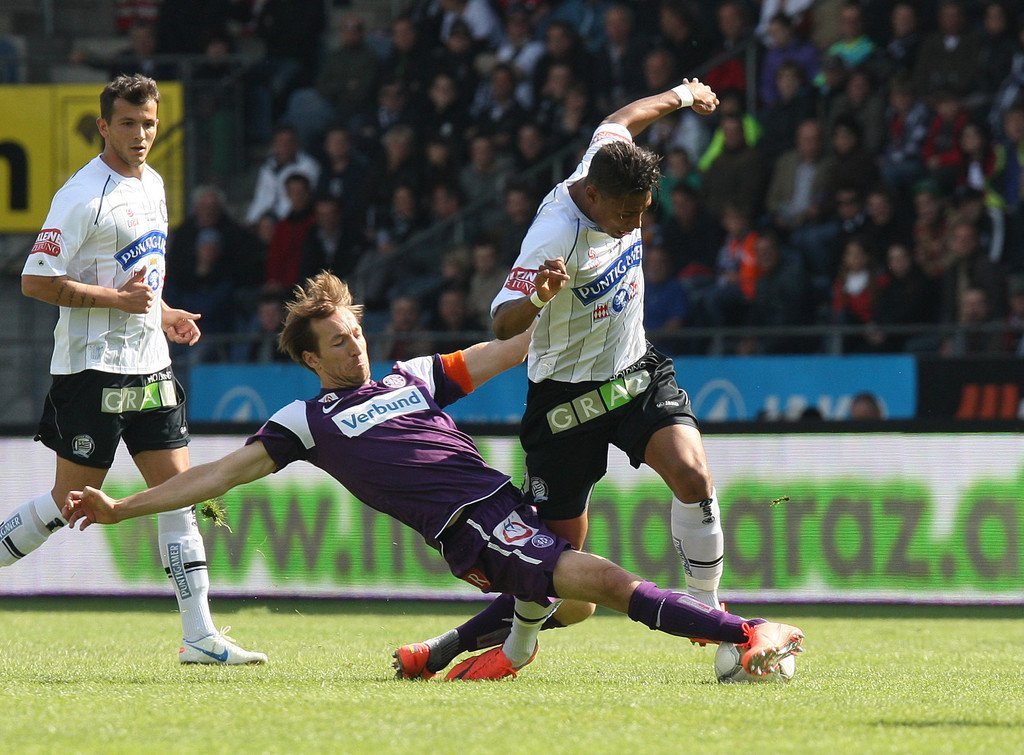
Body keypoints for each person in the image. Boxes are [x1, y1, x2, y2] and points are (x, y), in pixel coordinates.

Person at [61, 272, 805, 681]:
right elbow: (217, 474)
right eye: (338, 343)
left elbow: (504, 351)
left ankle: (440, 651)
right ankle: (744, 630)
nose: (355, 347)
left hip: (505, 500)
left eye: (356, 332)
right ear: (311, 359)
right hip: (472, 527)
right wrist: (123, 506)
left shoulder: (409, 376)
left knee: (574, 606)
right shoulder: (305, 420)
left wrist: (551, 303)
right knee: (603, 580)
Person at [395, 77, 730, 679]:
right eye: (625, 214)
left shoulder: (607, 162)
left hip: (633, 372)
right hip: (565, 402)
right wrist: (539, 296)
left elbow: (622, 117)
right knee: (555, 565)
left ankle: (707, 612)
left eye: (642, 212)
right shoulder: (554, 234)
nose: (634, 225)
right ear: (593, 196)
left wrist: (683, 96)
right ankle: (511, 645)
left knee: (693, 476)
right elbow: (502, 321)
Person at [6, 74, 265, 664]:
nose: (140, 134)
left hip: (151, 366)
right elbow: (35, 280)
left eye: (148, 123)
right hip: (93, 370)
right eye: (127, 123)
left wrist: (162, 313)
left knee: (180, 496)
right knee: (68, 502)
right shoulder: (82, 195)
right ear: (103, 126)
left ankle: (199, 636)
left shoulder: (154, 183)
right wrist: (117, 302)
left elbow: (140, 276)